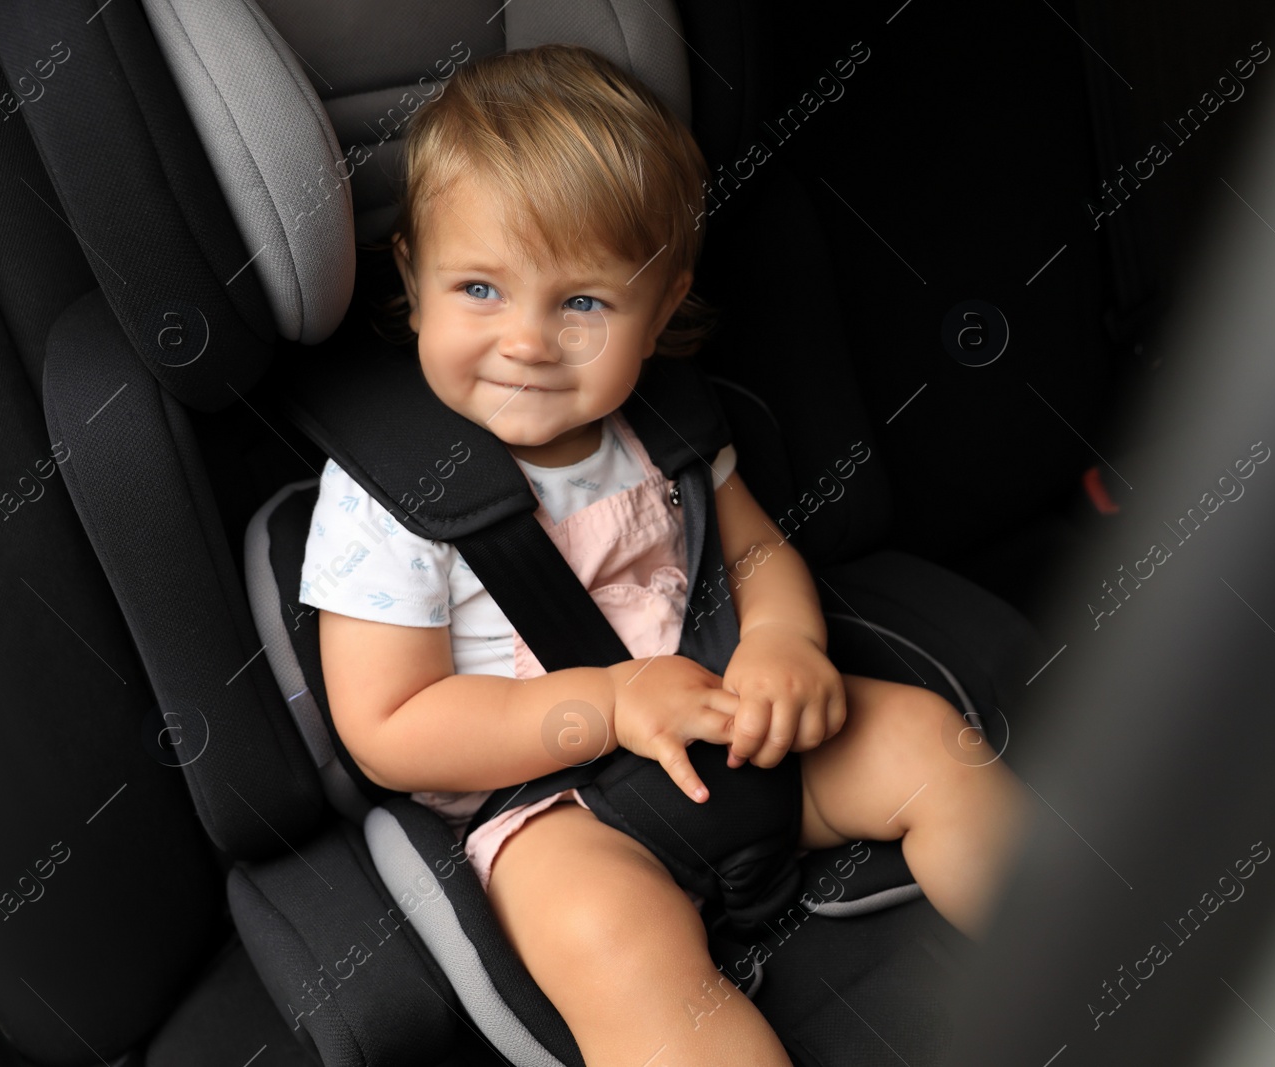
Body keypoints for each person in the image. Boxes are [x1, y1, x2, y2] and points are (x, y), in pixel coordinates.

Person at [300, 43, 1028, 1067]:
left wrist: (784, 645)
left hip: (732, 729)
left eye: (583, 303)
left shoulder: (663, 426)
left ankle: (1094, 961)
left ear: (663, 305)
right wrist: (603, 704)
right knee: (609, 944)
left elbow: (754, 555)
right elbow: (390, 726)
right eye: (478, 288)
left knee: (927, 743)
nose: (527, 341)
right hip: (558, 810)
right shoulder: (388, 497)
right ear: (414, 282)